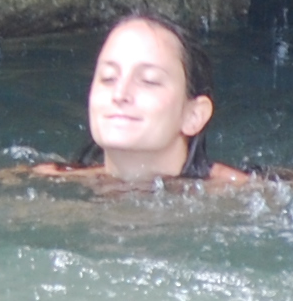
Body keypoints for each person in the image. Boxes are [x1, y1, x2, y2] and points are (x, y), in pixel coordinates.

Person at [78, 9, 254, 185]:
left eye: (149, 80)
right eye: (108, 78)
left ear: (194, 116)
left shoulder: (248, 191)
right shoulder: (62, 182)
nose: (119, 94)